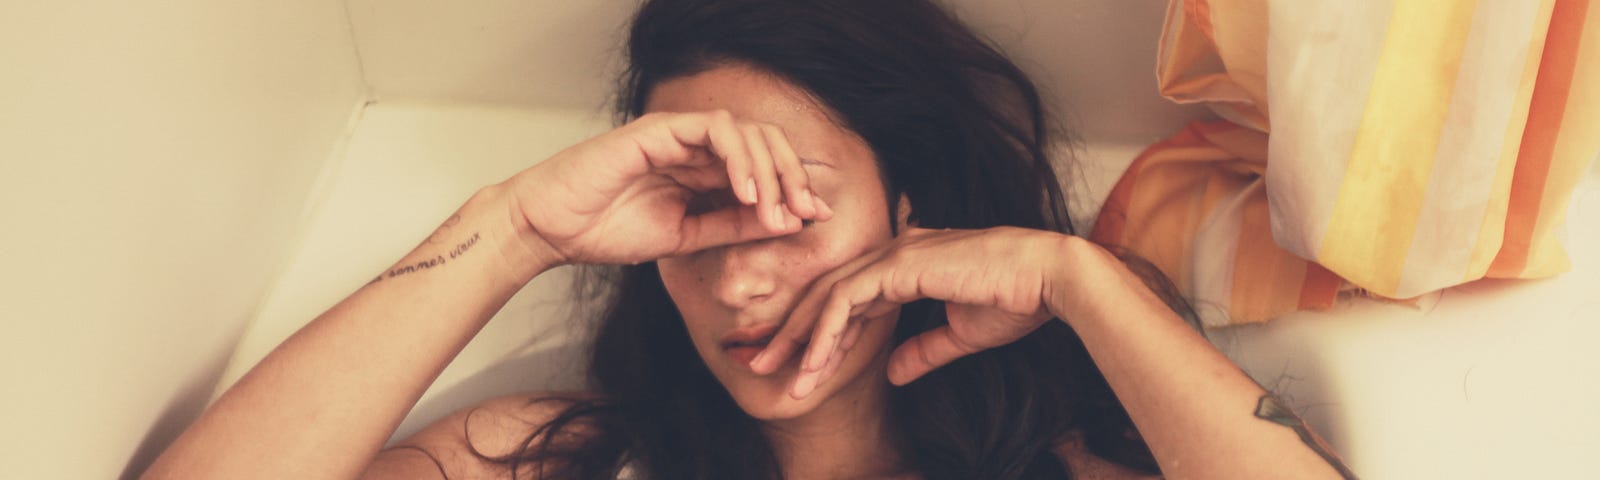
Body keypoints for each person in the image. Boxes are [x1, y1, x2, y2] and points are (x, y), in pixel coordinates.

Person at [145, 0, 1355, 478]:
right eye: (698, 212)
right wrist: (510, 227)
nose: (744, 271)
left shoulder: (1068, 461)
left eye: (796, 202)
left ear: (908, 210)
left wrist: (1072, 277)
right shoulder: (554, 457)